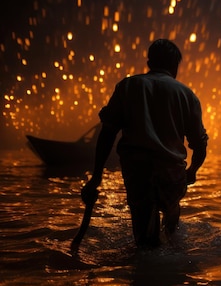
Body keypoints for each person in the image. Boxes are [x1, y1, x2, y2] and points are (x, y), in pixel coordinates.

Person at [81, 39, 208, 247]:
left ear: (149, 62)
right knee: (172, 226)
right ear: (175, 65)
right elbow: (200, 144)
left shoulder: (128, 86)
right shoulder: (186, 95)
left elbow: (107, 134)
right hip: (171, 172)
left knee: (145, 241)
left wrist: (96, 176)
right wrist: (193, 170)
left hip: (137, 171)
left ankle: (146, 270)